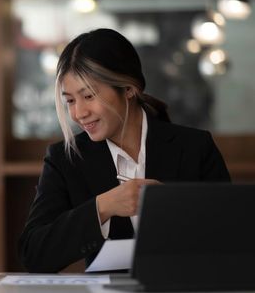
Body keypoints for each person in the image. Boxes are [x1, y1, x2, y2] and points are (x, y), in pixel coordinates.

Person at [18, 28, 230, 273]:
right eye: (71, 101)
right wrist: (103, 207)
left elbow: (231, 238)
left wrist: (178, 212)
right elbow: (33, 254)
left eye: (88, 95)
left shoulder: (195, 148)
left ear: (128, 89)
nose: (79, 113)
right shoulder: (66, 160)